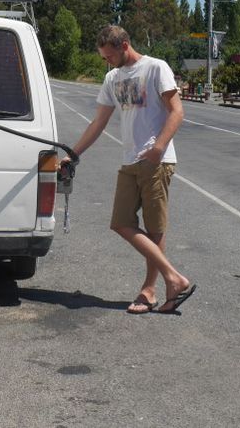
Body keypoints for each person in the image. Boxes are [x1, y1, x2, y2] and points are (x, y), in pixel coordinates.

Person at [65, 25, 196, 315]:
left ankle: (151, 291)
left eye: (109, 56)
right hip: (130, 161)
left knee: (154, 228)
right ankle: (173, 278)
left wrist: (159, 147)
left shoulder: (155, 68)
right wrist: (74, 154)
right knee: (120, 222)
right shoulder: (112, 77)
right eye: (103, 57)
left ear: (125, 45)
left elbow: (177, 111)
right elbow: (98, 122)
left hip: (156, 160)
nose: (106, 62)